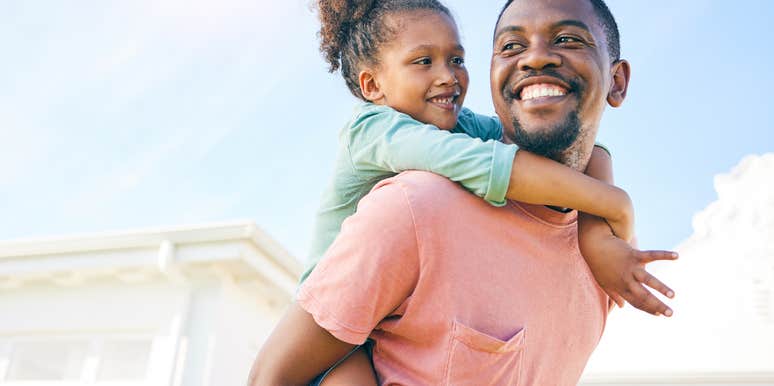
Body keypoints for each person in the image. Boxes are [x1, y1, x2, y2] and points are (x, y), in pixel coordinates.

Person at [249, 0, 677, 384]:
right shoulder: (382, 144)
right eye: (422, 61)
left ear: (617, 80)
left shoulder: (458, 126)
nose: (447, 77)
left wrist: (595, 231)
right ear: (373, 86)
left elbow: (587, 150)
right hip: (335, 333)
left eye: (456, 59)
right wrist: (613, 204)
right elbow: (492, 167)